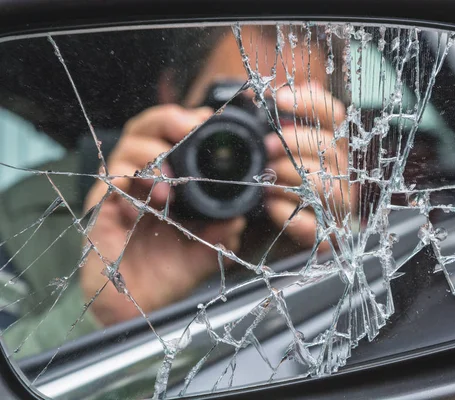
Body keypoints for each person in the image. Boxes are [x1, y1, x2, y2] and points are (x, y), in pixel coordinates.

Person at [0, 24, 351, 357]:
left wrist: (341, 255)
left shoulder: (333, 229)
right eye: (228, 110)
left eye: (283, 120)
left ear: (327, 138)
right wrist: (106, 315)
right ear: (173, 97)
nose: (249, 146)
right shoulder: (26, 221)